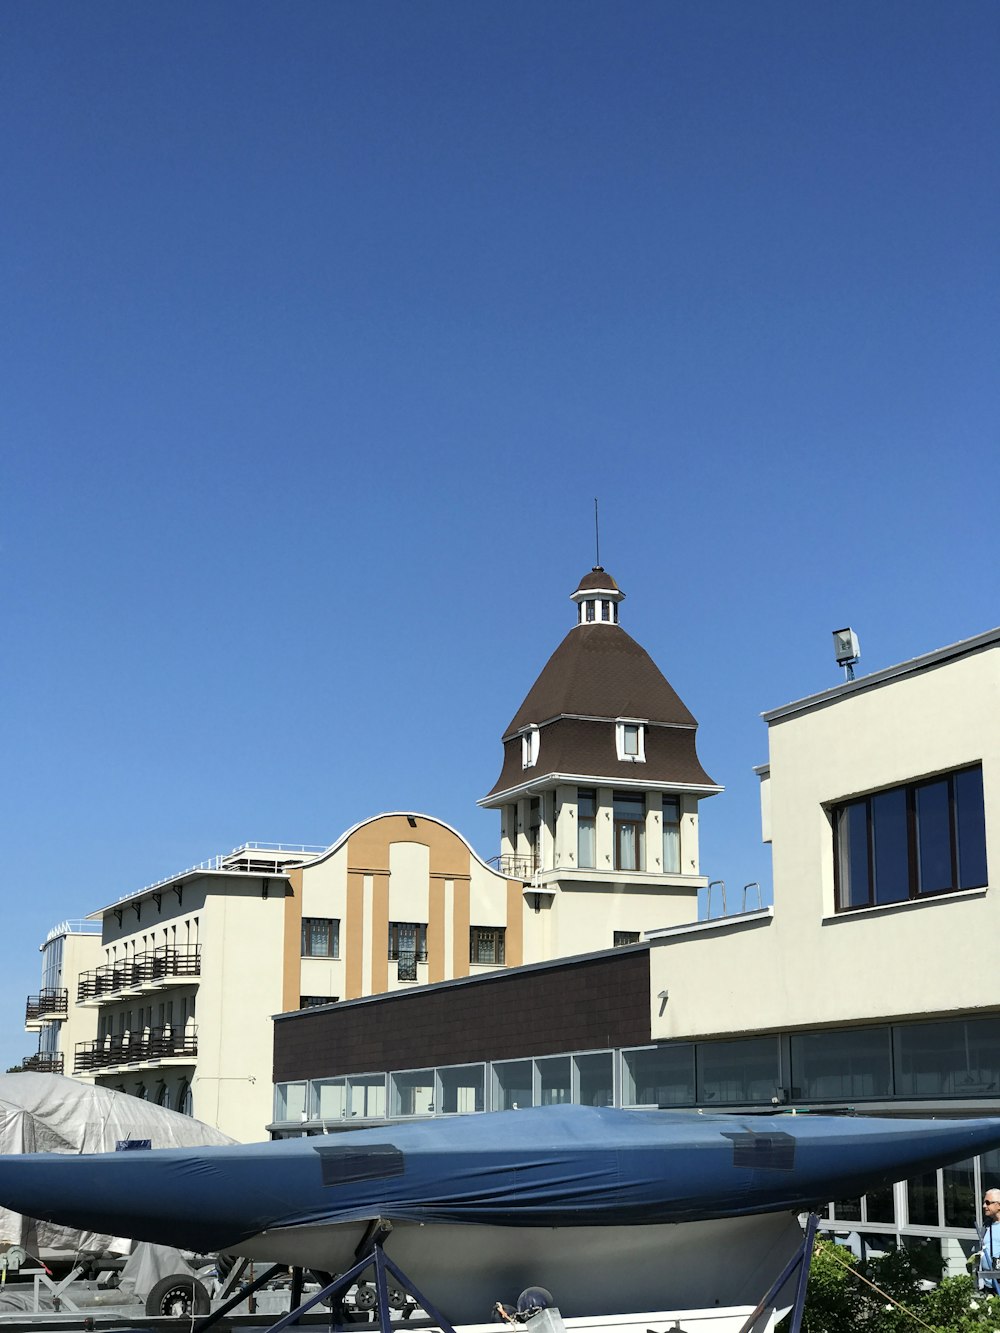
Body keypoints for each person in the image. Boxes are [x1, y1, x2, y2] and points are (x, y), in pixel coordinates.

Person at [980, 1190, 1000, 1293]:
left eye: (988, 1202)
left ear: (998, 1205)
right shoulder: (986, 1225)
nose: (984, 1206)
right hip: (987, 1285)